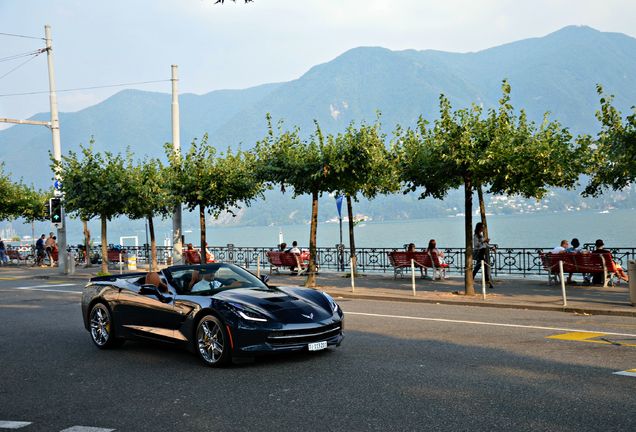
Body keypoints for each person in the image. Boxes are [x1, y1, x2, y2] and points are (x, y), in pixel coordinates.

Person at [472, 223, 493, 289]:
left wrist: (491, 247)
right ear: (479, 228)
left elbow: (485, 244)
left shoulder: (480, 235)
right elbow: (476, 245)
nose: (483, 229)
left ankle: (486, 281)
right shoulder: (476, 236)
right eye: (482, 227)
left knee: (480, 266)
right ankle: (487, 281)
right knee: (482, 266)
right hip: (479, 252)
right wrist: (484, 241)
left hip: (482, 252)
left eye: (483, 227)